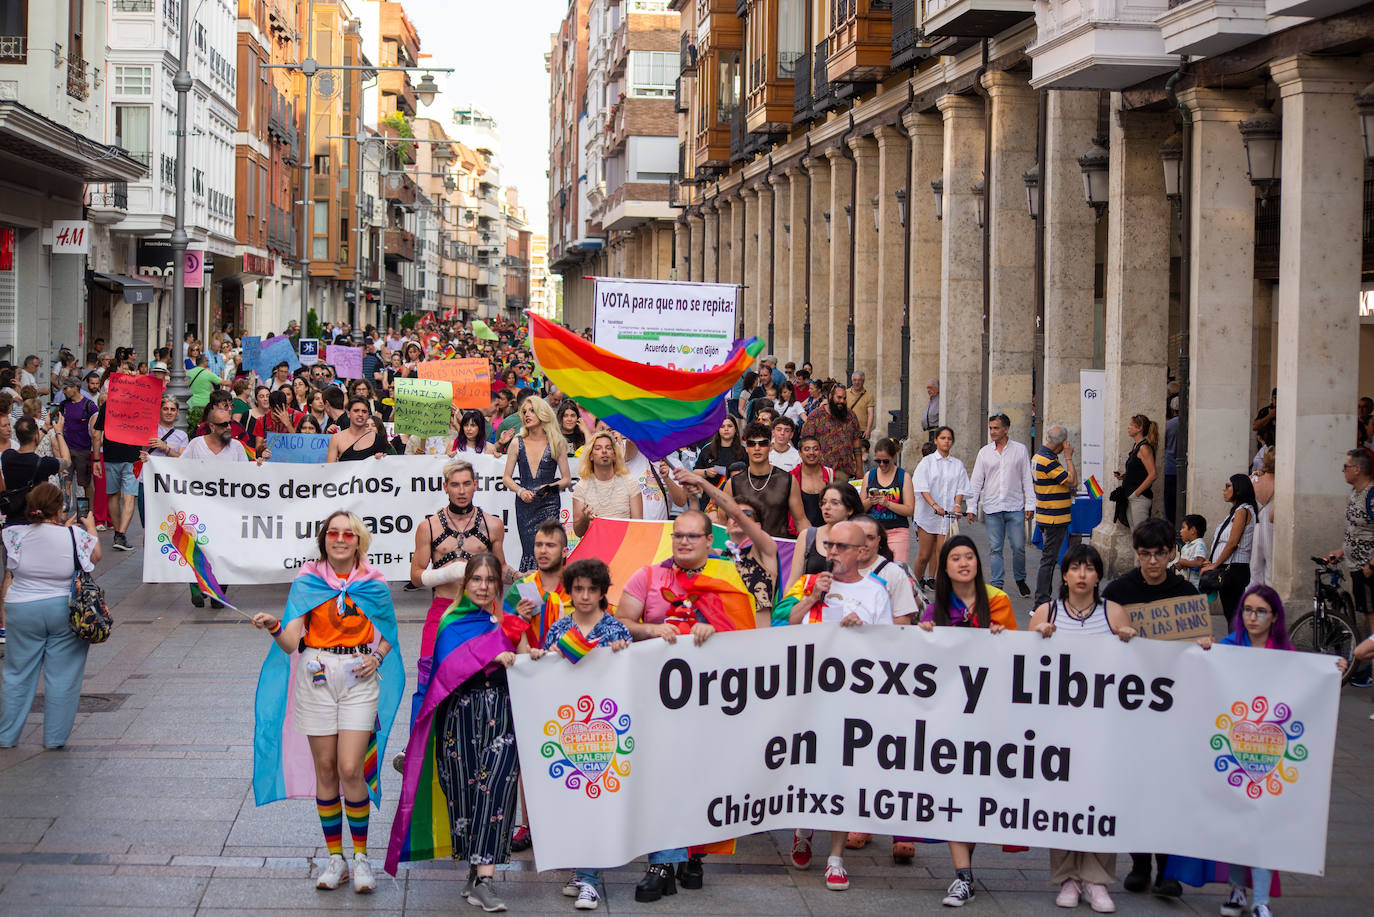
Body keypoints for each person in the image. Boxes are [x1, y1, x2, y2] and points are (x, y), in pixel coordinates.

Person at [251, 511, 402, 895]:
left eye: (347, 534)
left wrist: (378, 656)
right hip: (316, 672)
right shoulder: (307, 581)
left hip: (359, 675)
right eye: (333, 533)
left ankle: (362, 857)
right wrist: (273, 626)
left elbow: (389, 632)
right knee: (326, 767)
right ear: (324, 540)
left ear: (358, 541)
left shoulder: (373, 582)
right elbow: (290, 642)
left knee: (351, 767)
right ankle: (336, 858)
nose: (339, 539)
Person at [1175, 584, 1346, 916]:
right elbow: (1203, 671)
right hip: (1234, 748)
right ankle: (1238, 889)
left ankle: (1261, 900)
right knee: (1238, 824)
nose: (1252, 617)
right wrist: (1204, 648)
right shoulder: (1229, 646)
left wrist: (1332, 670)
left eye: (1260, 611)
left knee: (1265, 824)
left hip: (1270, 752)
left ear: (1274, 617)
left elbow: (1307, 683)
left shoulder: (1285, 653)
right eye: (1247, 610)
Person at [615, 509, 755, 901]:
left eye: (693, 536)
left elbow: (747, 634)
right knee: (662, 774)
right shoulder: (648, 576)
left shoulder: (727, 577)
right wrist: (652, 629)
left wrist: (716, 630)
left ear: (709, 541)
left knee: (703, 776)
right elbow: (620, 622)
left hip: (711, 699)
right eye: (679, 536)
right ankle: (662, 862)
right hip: (657, 696)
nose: (684, 542)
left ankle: (693, 854)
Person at [384, 552, 527, 911]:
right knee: (465, 797)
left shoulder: (508, 620)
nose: (483, 586)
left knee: (496, 790)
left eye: (489, 580)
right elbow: (451, 668)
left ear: (498, 585)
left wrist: (527, 647)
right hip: (460, 719)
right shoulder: (451, 620)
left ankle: (485, 879)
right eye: (476, 580)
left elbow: (526, 660)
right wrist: (493, 655)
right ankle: (476, 872)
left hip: (502, 715)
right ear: (465, 584)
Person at [776, 519, 892, 892]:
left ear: (862, 552)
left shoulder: (876, 592)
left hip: (852, 700)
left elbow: (892, 648)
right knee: (806, 766)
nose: (834, 553)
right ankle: (803, 826)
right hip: (808, 696)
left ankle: (836, 857)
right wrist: (811, 598)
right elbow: (782, 624)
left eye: (842, 547)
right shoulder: (808, 583)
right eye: (830, 546)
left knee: (843, 775)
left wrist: (867, 632)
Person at [1027, 544, 1137, 914]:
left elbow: (1136, 667)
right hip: (1059, 727)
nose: (1082, 575)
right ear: (1065, 574)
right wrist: (1036, 637)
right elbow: (1021, 664)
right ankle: (1068, 877)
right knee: (1063, 803)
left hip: (1103, 727)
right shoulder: (1047, 610)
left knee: (1100, 799)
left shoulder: (1113, 612)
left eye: (1089, 569)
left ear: (1098, 576)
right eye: (1075, 568)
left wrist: (1129, 641)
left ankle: (1097, 878)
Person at [527, 557, 634, 911]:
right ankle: (581, 870)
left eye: (592, 589)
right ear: (570, 591)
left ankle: (589, 880)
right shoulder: (559, 629)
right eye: (578, 589)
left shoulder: (616, 631)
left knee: (595, 800)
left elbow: (630, 680)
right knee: (575, 800)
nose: (585, 595)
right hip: (569, 729)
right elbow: (547, 674)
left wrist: (623, 654)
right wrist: (540, 657)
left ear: (603, 592)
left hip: (606, 733)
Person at [914, 534, 1016, 907]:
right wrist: (921, 638)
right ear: (945, 567)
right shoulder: (935, 609)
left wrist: (1003, 640)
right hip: (949, 720)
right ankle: (963, 876)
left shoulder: (999, 602)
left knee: (977, 796)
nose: (962, 563)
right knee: (955, 794)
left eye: (969, 556)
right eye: (954, 557)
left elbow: (1017, 660)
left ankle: (966, 868)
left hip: (989, 718)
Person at [1099, 517, 1196, 899]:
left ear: (1172, 554)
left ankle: (1167, 869)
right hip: (1130, 705)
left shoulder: (1185, 594)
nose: (1152, 561)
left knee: (1168, 787)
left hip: (1172, 707)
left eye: (1159, 554)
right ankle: (1140, 863)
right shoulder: (1120, 590)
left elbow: (1193, 650)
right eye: (1145, 554)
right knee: (1135, 785)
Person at [0, 485, 100, 749]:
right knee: (63, 676)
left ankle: (6, 736)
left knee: (17, 673)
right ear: (60, 508)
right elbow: (95, 557)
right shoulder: (74, 534)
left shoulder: (12, 534)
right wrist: (88, 528)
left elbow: (10, 568)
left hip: (21, 608)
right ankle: (54, 738)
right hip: (63, 608)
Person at [410, 460, 508, 664]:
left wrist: (522, 577)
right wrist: (449, 573)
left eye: (466, 484)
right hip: (443, 609)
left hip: (481, 609)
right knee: (430, 674)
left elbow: (501, 568)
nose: (461, 491)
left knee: (482, 675)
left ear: (475, 484)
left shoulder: (493, 525)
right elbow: (416, 577)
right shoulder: (428, 527)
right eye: (455, 485)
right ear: (445, 487)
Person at [676, 468, 778, 624]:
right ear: (727, 526)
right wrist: (694, 500)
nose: (738, 517)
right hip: (723, 638)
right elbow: (695, 536)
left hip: (757, 639)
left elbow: (736, 512)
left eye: (747, 514)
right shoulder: (719, 557)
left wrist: (700, 481)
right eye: (730, 516)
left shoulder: (765, 551)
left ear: (757, 526)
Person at [963, 413, 1036, 596]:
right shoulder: (984, 452)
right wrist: (971, 507)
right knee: (995, 548)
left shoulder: (1020, 450)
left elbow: (1027, 478)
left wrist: (1030, 504)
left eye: (996, 428)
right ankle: (997, 584)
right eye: (990, 428)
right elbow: (976, 481)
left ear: (1006, 429)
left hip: (1015, 506)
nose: (992, 432)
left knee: (1019, 546)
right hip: (992, 507)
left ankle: (1020, 579)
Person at [502, 396, 571, 572]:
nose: (527, 414)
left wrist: (550, 487)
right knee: (529, 550)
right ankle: (528, 595)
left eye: (532, 410)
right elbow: (507, 478)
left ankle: (551, 594)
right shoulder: (517, 442)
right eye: (524, 411)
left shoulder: (557, 442)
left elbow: (566, 479)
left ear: (542, 413)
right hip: (525, 506)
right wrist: (520, 491)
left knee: (549, 548)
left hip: (549, 504)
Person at [1333, 449, 1374, 686]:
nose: (1343, 470)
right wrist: (1342, 550)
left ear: (1357, 469)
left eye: (1346, 466)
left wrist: (1371, 564)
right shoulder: (1354, 493)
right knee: (1367, 618)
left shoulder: (1371, 494)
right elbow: (1354, 530)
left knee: (1372, 623)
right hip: (1357, 568)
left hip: (1368, 569)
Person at [721, 422, 804, 539]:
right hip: (745, 550)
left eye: (763, 443)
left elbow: (801, 521)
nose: (757, 448)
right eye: (751, 443)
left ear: (770, 447)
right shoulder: (733, 483)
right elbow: (723, 522)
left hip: (779, 550)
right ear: (746, 448)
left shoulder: (788, 480)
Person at [911, 426, 969, 591]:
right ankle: (915, 584)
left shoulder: (957, 464)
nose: (946, 441)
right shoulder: (927, 462)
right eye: (942, 438)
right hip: (928, 514)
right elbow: (922, 487)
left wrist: (957, 505)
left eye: (949, 438)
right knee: (924, 554)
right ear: (936, 440)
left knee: (943, 552)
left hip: (948, 515)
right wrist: (934, 505)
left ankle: (935, 580)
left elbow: (961, 487)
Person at [90, 390, 143, 553]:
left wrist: (97, 458)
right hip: (133, 456)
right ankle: (120, 534)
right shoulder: (140, 406)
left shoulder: (107, 405)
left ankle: (119, 534)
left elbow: (96, 434)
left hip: (111, 455)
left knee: (113, 494)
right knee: (129, 496)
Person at [1201, 474, 1257, 624]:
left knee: (1234, 614)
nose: (1224, 489)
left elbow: (1232, 543)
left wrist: (1215, 564)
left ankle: (1239, 645)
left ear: (1238, 489)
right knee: (1231, 613)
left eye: (1228, 486)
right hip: (1229, 567)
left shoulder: (1242, 511)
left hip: (1235, 568)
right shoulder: (1236, 511)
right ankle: (1237, 643)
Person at [1032, 424, 1078, 608]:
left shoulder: (1040, 456)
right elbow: (1072, 480)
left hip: (1046, 513)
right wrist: (1068, 457)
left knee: (1048, 559)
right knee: (1049, 560)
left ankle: (1043, 598)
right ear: (1061, 443)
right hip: (1053, 516)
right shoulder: (1048, 460)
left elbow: (1064, 483)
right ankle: (1041, 600)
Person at [787, 481, 864, 588]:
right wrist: (788, 604)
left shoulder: (860, 538)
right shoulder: (807, 536)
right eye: (823, 502)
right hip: (810, 601)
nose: (826, 507)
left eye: (835, 503)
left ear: (850, 509)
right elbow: (793, 581)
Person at [572, 430, 642, 536]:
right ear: (590, 456)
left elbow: (638, 527)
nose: (604, 451)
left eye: (608, 448)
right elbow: (578, 532)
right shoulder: (581, 487)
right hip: (594, 549)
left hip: (622, 548)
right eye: (598, 448)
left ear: (614, 454)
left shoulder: (630, 483)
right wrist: (585, 519)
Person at [858, 437, 914, 565]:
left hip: (897, 531)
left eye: (886, 461)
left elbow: (910, 510)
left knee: (898, 571)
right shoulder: (870, 475)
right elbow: (860, 508)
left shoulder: (903, 476)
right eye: (878, 461)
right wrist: (871, 501)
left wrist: (887, 503)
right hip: (873, 533)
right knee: (874, 574)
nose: (882, 464)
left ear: (894, 457)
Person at [1, 418, 62, 526]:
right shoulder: (43, 463)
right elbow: (67, 460)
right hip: (36, 522)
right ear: (35, 437)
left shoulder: (7, 456)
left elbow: (29, 446)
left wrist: (44, 429)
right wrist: (59, 432)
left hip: (12, 522)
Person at [800, 383, 863, 480]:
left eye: (844, 398)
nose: (842, 401)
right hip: (820, 471)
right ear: (830, 397)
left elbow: (856, 441)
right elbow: (805, 442)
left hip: (844, 472)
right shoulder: (815, 416)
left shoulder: (851, 416)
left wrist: (859, 468)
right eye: (839, 397)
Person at [1110, 413, 1158, 530]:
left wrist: (1136, 493)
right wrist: (1125, 475)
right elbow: (1140, 470)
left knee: (1142, 536)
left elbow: (1153, 474)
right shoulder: (1136, 446)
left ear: (1139, 428)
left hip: (1139, 498)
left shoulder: (1144, 448)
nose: (1128, 427)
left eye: (1131, 425)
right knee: (1136, 535)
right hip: (1131, 495)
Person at [58, 379, 97, 513]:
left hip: (83, 451)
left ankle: (85, 513)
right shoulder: (63, 405)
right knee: (65, 483)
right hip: (66, 451)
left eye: (66, 388)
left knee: (84, 484)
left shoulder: (89, 405)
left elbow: (96, 429)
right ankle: (64, 513)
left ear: (75, 388)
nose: (64, 391)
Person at [790, 434, 835, 530]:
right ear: (800, 453)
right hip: (799, 533)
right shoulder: (792, 477)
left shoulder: (830, 474)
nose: (812, 452)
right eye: (807, 449)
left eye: (815, 449)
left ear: (820, 452)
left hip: (826, 531)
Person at [326, 397, 389, 462]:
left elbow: (382, 468)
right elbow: (330, 469)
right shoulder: (336, 439)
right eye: (356, 411)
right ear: (348, 413)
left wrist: (380, 459)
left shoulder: (378, 438)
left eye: (364, 411)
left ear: (368, 414)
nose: (360, 414)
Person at [1248, 447, 1276, 589]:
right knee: (1271, 571)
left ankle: (1252, 603)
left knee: (1255, 570)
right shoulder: (1282, 483)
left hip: (1256, 528)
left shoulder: (1253, 479)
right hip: (1272, 529)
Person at [693, 416, 745, 482]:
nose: (726, 429)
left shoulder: (744, 450)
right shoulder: (707, 449)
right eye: (722, 426)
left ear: (735, 429)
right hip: (711, 490)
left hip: (737, 490)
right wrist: (706, 472)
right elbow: (694, 472)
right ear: (718, 430)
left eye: (729, 426)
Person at [185, 354, 222, 432]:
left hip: (192, 403)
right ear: (205, 362)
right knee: (203, 426)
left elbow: (186, 385)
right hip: (204, 403)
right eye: (207, 360)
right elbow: (222, 382)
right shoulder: (208, 373)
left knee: (192, 425)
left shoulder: (189, 372)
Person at [847, 370, 875, 445]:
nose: (857, 382)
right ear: (852, 381)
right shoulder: (845, 393)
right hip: (847, 429)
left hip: (861, 430)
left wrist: (868, 430)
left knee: (860, 453)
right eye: (854, 380)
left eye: (859, 380)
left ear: (863, 381)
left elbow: (870, 414)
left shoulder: (869, 396)